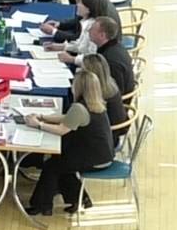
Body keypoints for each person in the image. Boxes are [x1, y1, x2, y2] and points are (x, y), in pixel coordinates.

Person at [25, 56, 118, 214]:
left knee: (52, 166)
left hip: (94, 158)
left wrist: (38, 125)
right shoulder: (95, 103)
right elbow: (68, 118)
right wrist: (42, 117)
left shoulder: (79, 107)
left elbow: (62, 129)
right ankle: (79, 199)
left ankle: (41, 206)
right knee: (61, 163)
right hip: (103, 154)